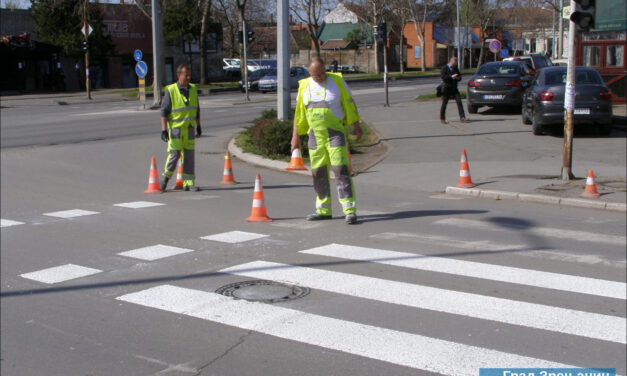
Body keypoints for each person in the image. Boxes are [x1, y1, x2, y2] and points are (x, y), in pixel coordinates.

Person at [292, 57, 362, 224]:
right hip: (315, 136)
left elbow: (350, 104)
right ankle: (323, 209)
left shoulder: (337, 82)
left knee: (340, 170)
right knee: (318, 172)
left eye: (323, 73)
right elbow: (299, 114)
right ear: (310, 73)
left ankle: (349, 210)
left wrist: (356, 126)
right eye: (316, 75)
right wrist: (295, 137)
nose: (321, 77)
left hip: (334, 134)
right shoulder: (304, 86)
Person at [160, 64, 202, 191]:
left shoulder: (193, 89)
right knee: (174, 154)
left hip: (189, 128)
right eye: (186, 75)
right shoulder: (171, 90)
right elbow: (164, 111)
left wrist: (199, 126)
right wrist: (164, 130)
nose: (188, 77)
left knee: (189, 156)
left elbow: (197, 110)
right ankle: (165, 179)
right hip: (176, 130)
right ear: (179, 75)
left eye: (189, 75)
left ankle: (188, 183)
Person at [440, 57, 467, 124]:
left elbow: (459, 77)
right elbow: (443, 77)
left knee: (459, 101)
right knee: (444, 103)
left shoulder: (455, 68)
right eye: (455, 63)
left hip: (454, 88)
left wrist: (458, 78)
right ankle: (442, 118)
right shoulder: (445, 68)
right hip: (447, 88)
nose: (455, 64)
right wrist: (451, 76)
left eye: (456, 63)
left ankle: (462, 117)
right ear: (451, 62)